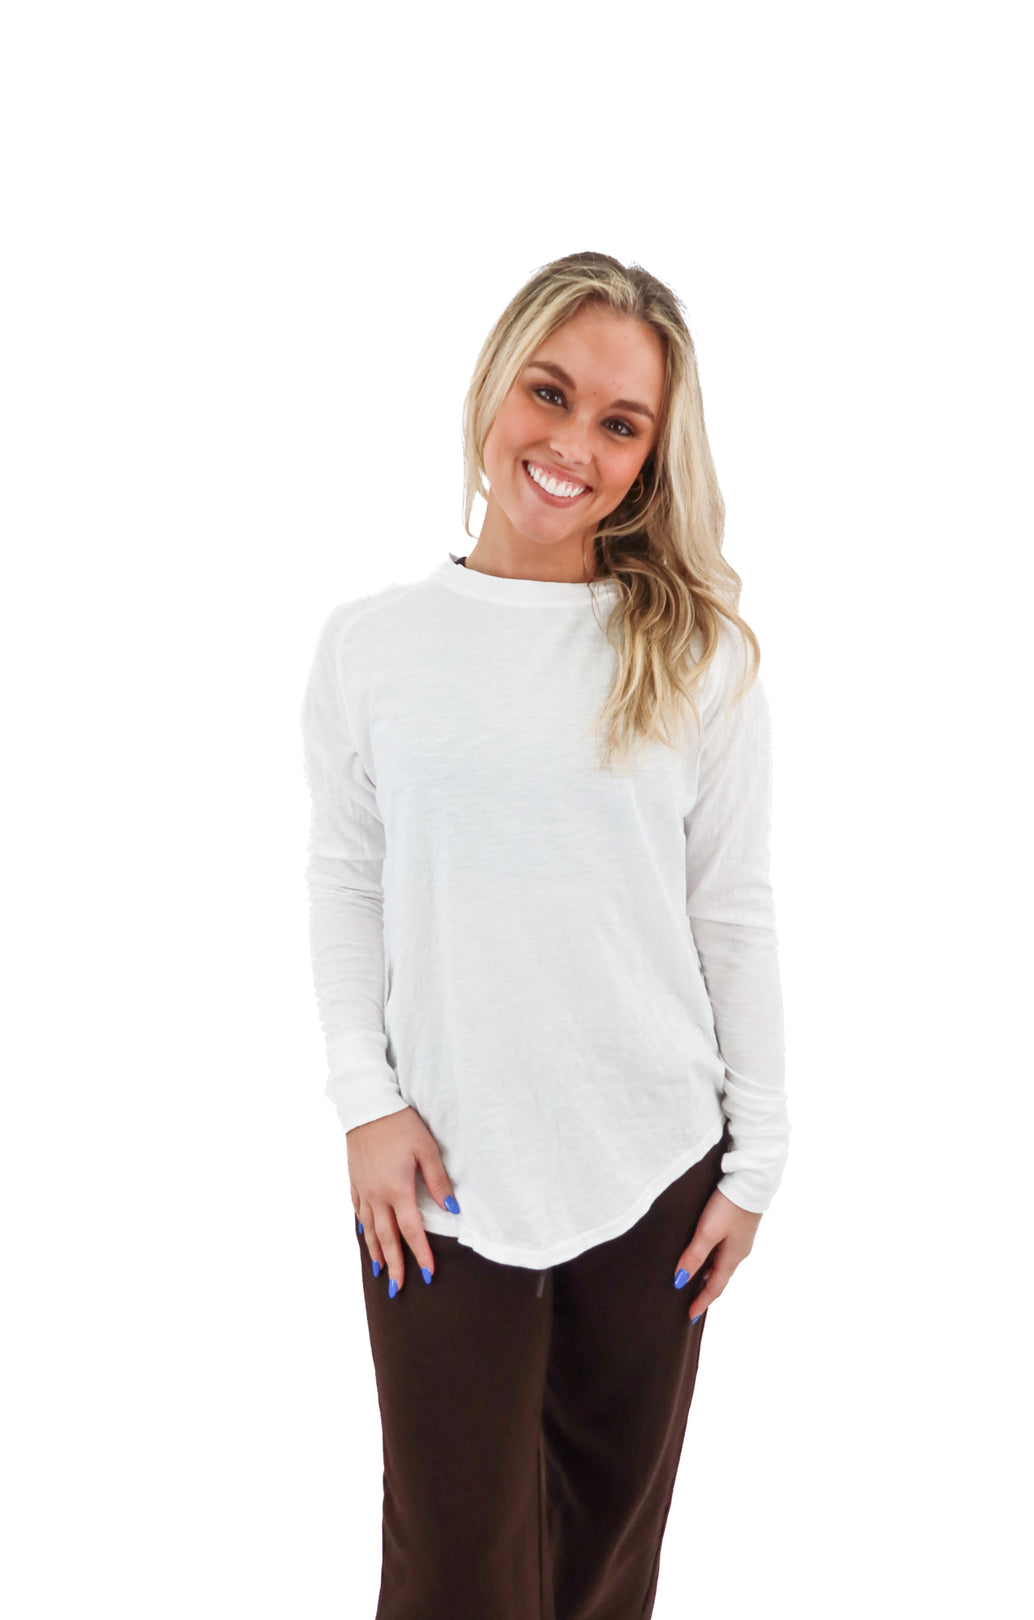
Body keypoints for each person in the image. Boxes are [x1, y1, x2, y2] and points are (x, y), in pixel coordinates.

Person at [299, 249, 791, 1619]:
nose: (574, 445)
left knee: (599, 1577)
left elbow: (732, 911)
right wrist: (364, 1104)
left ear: (652, 459)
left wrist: (758, 1160)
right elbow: (345, 882)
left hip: (655, 1169)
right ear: (495, 386)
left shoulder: (697, 655)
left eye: (621, 424)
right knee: (451, 1573)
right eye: (550, 392)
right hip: (437, 1175)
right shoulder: (374, 647)